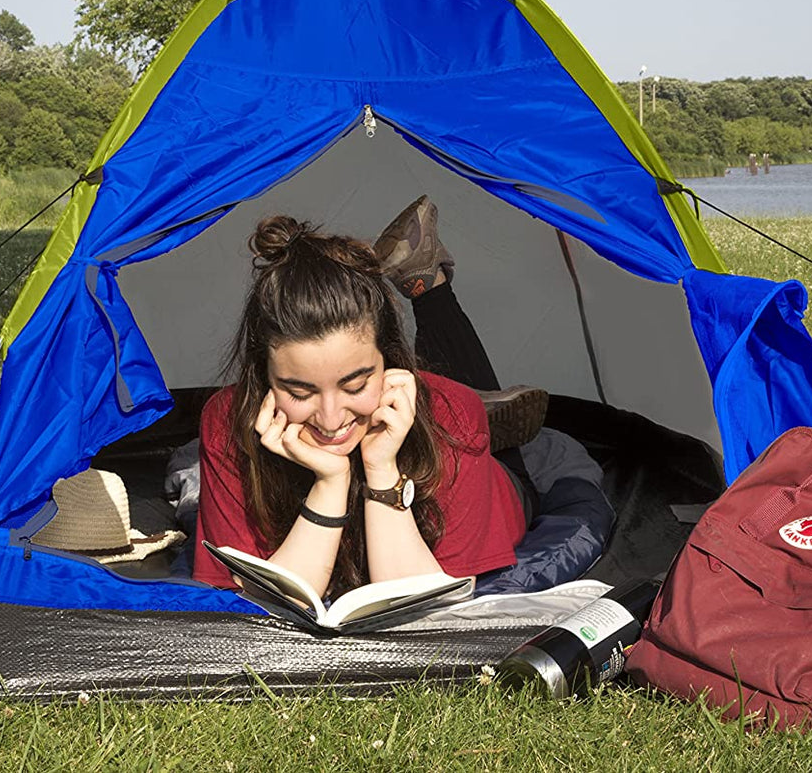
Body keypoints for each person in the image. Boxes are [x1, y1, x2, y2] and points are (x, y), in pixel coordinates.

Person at [192, 197, 552, 598]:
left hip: (494, 483)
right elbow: (253, 607)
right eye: (299, 391)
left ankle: (440, 314)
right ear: (263, 377)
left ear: (391, 361)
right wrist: (331, 482)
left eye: (355, 385)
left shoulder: (451, 414)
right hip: (421, 412)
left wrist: (382, 470)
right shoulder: (227, 418)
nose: (330, 420)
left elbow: (429, 614)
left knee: (453, 408)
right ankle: (425, 284)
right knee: (448, 402)